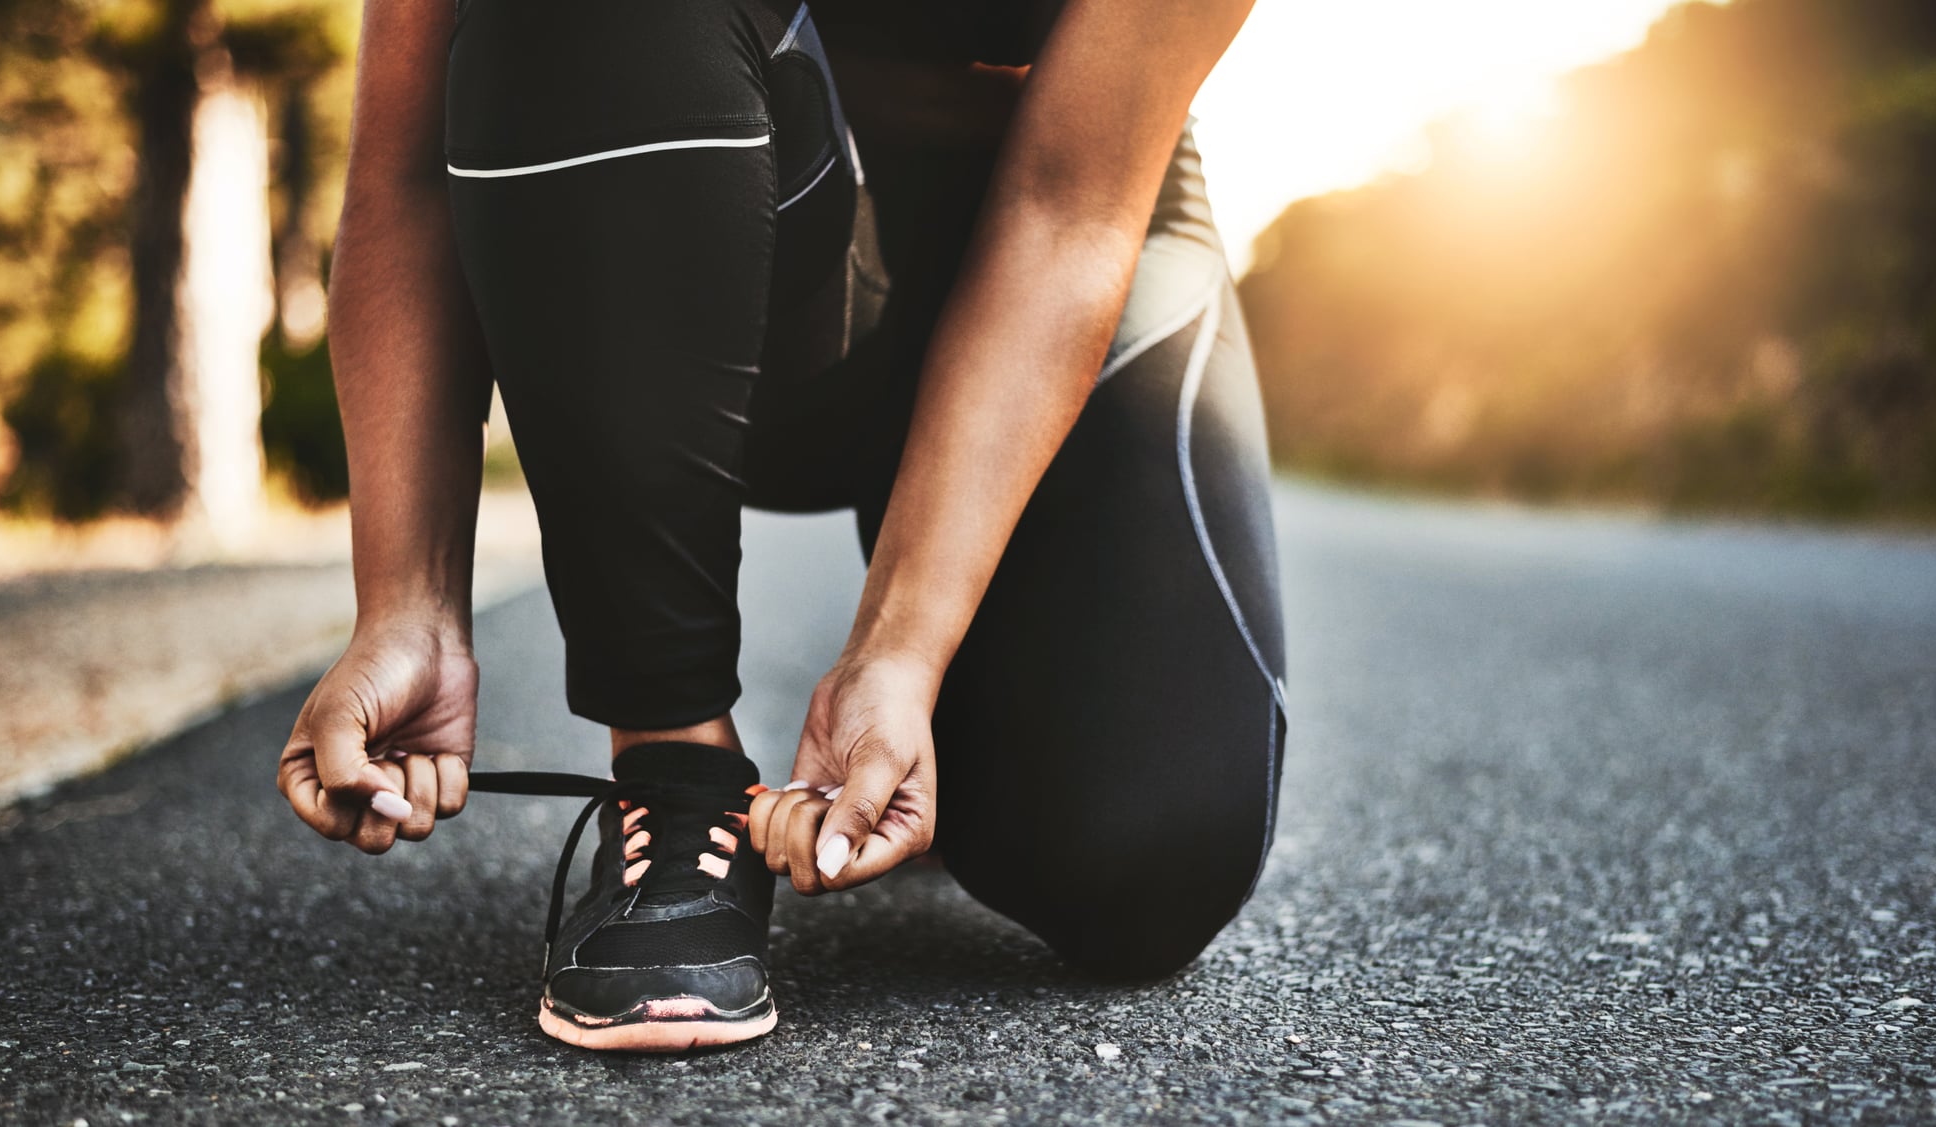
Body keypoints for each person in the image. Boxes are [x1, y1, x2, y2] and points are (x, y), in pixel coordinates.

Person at [277, 0, 1286, 1052]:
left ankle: (944, 689)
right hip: (698, 232)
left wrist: (901, 652)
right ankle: (675, 773)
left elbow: (1066, 210)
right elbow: (401, 168)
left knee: (1137, 860)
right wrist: (410, 603)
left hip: (1043, 213)